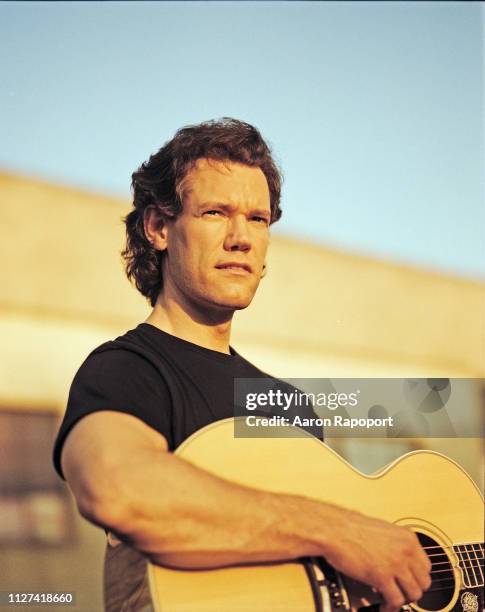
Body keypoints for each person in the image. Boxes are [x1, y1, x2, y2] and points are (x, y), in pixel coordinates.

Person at [53, 118, 431, 611]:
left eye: (257, 218)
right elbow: (116, 488)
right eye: (215, 212)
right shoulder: (128, 369)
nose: (241, 238)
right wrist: (338, 528)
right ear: (158, 227)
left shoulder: (289, 405)